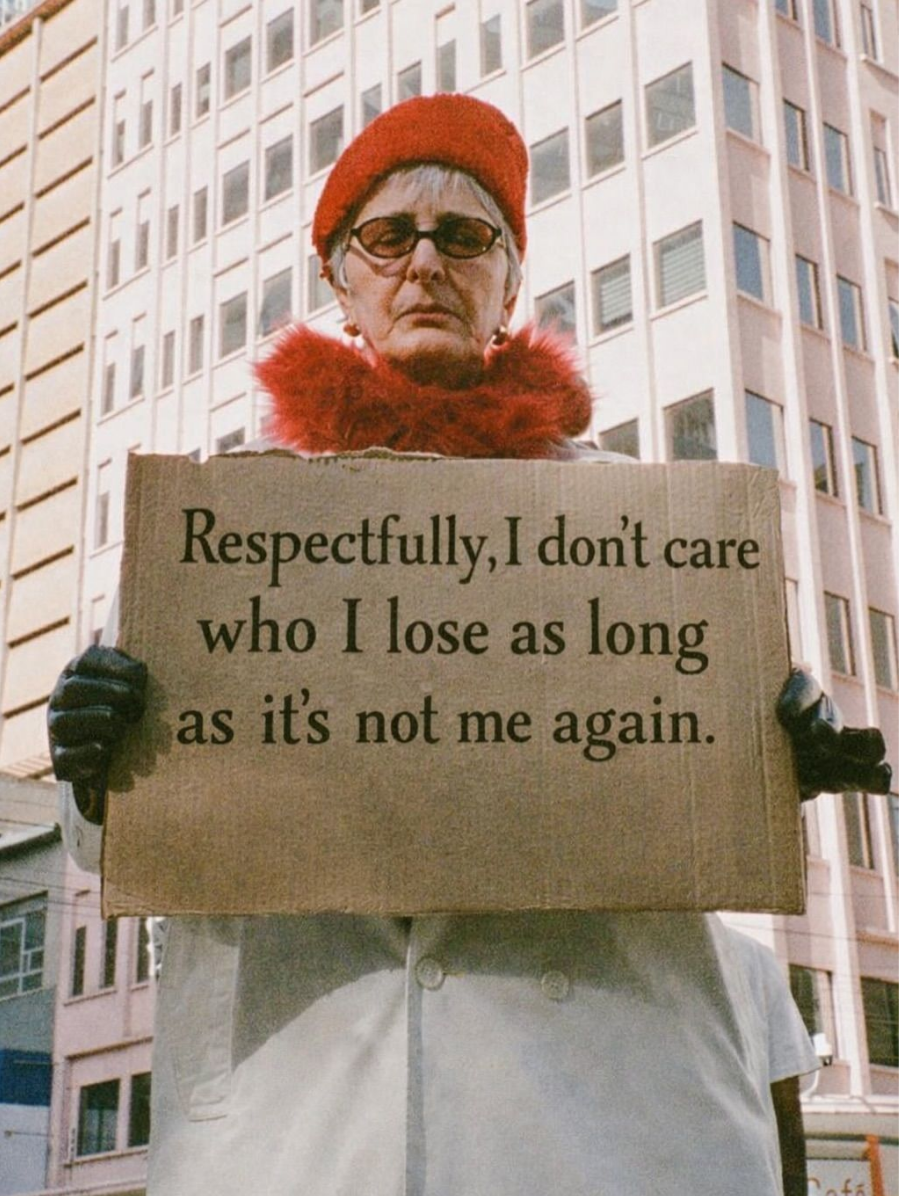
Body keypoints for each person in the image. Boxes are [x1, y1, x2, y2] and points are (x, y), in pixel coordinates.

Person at [49, 96, 891, 1196]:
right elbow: (110, 838)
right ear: (340, 284)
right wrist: (96, 757)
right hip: (297, 1136)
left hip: (599, 1128)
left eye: (464, 236)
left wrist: (773, 747)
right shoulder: (218, 534)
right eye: (387, 236)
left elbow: (706, 775)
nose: (425, 263)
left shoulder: (649, 532)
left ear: (509, 284)